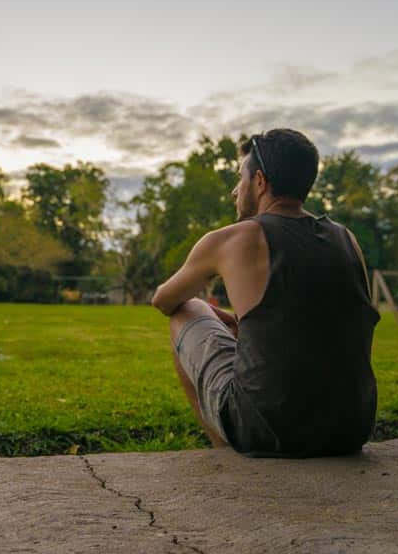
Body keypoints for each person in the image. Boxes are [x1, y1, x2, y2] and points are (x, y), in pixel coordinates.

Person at [151, 129, 379, 457]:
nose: (234, 190)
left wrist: (208, 311)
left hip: (266, 431)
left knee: (186, 310)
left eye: (239, 178)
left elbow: (163, 300)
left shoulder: (233, 239)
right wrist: (237, 322)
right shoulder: (347, 239)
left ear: (259, 181)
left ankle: (223, 450)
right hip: (350, 429)